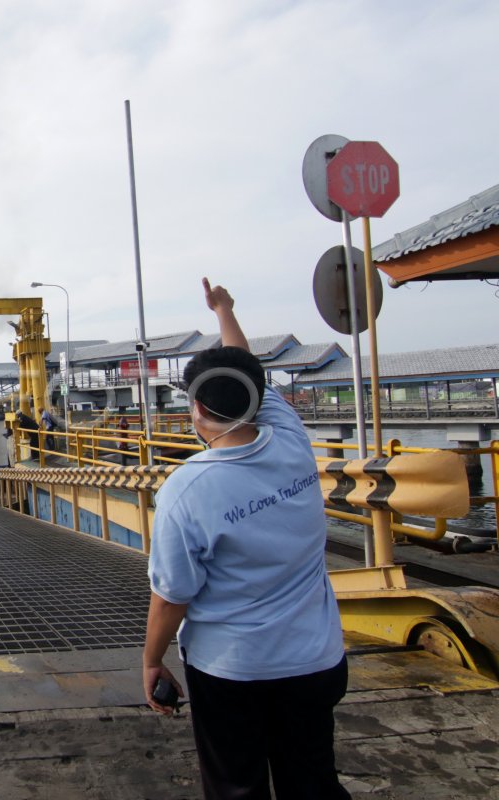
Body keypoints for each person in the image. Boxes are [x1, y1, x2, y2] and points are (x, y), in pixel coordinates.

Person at [142, 279, 349, 799]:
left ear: (196, 410)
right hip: (316, 662)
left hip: (233, 672)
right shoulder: (292, 438)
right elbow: (242, 365)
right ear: (256, 399)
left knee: (238, 787)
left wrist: (151, 661)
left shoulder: (186, 489)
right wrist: (225, 311)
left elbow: (172, 596)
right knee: (314, 784)